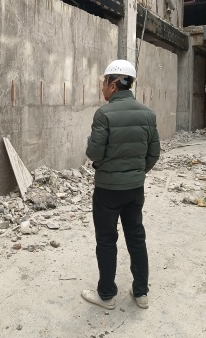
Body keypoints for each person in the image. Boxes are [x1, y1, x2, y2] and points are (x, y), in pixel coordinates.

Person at [82, 59, 160, 310]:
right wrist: (136, 173)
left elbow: (94, 153)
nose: (102, 88)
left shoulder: (103, 114)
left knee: (106, 240)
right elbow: (153, 154)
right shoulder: (148, 114)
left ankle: (106, 296)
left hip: (107, 190)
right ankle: (141, 293)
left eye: (104, 83)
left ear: (114, 84)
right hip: (135, 190)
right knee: (136, 237)